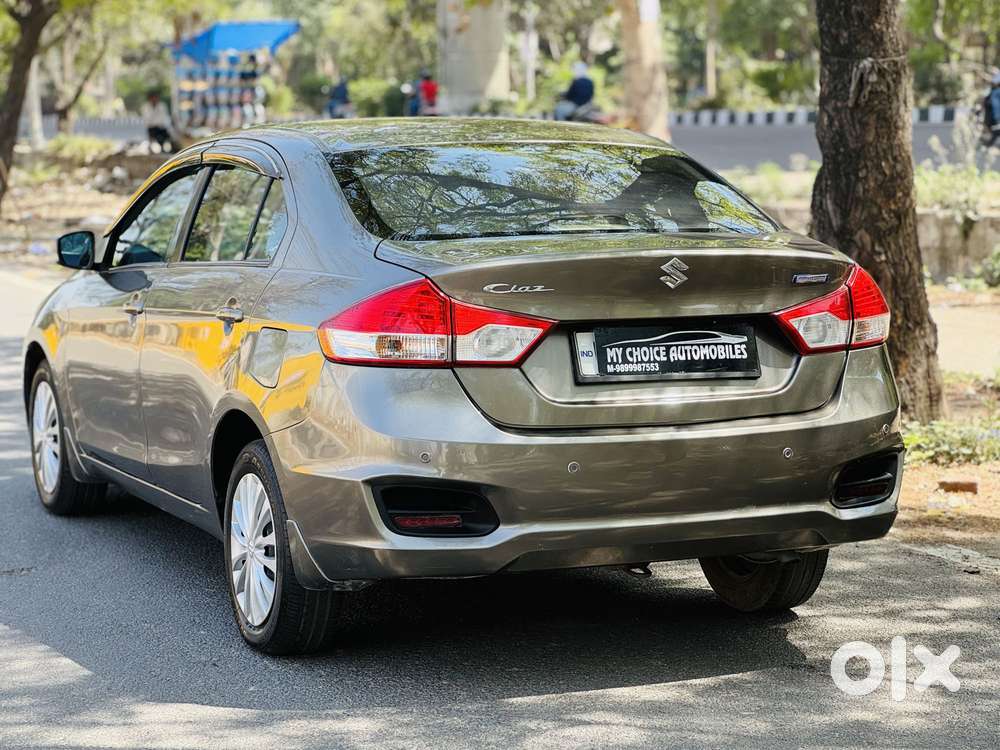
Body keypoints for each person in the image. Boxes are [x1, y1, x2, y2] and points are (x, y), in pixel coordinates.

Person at [985, 71, 1000, 148]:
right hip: (995, 115)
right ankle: (989, 143)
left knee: (997, 131)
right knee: (996, 130)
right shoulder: (994, 92)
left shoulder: (995, 92)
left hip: (995, 115)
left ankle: (989, 143)